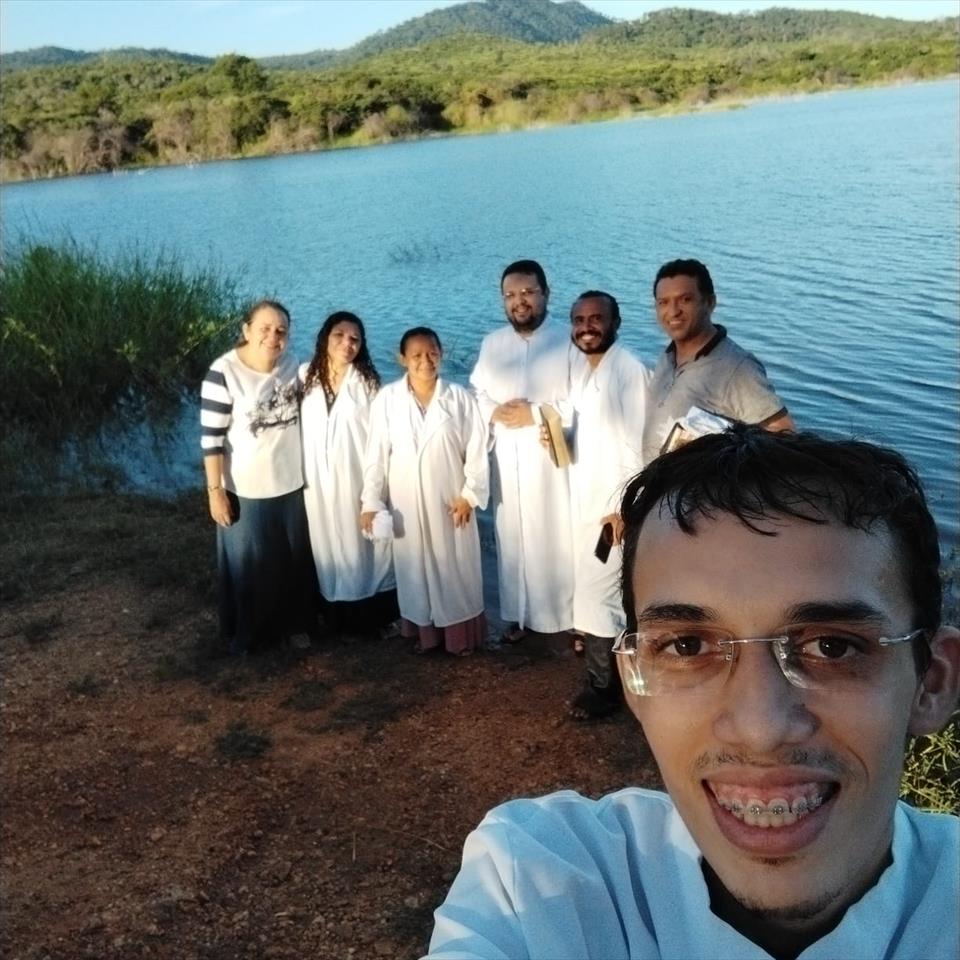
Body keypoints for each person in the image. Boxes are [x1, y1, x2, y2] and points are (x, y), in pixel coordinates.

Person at [426, 425, 960, 959]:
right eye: (686, 646)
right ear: (634, 684)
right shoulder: (537, 881)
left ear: (932, 683)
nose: (760, 729)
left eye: (832, 648)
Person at [361, 327, 489, 656]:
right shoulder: (387, 400)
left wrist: (470, 495)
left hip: (450, 500)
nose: (425, 361)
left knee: (455, 569)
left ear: (441, 352)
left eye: (432, 352)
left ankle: (460, 639)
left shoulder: (459, 398)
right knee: (413, 567)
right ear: (402, 359)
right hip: (405, 502)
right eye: (416, 355)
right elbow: (375, 455)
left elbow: (477, 451)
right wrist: (371, 501)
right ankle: (424, 636)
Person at [200, 299, 317, 654]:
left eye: (281, 330)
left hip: (291, 483)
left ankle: (294, 627)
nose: (273, 336)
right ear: (247, 330)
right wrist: (215, 490)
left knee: (292, 563)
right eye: (264, 328)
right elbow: (211, 440)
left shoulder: (293, 366)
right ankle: (247, 635)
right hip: (246, 489)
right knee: (248, 565)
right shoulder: (224, 372)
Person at [470, 259, 575, 642]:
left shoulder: (569, 341)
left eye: (528, 292)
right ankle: (518, 615)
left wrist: (534, 413)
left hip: (550, 459)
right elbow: (477, 393)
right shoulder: (492, 344)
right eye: (511, 295)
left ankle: (567, 616)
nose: (520, 301)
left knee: (555, 535)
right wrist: (493, 411)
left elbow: (582, 401)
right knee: (512, 537)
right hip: (506, 459)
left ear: (546, 294)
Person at [563, 291, 649, 721]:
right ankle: (613, 681)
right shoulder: (581, 370)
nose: (587, 326)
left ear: (616, 322)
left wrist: (625, 508)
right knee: (598, 592)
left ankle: (603, 689)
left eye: (596, 318)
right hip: (585, 500)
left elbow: (640, 445)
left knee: (601, 595)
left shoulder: (629, 370)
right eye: (579, 319)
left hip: (612, 509)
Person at [300, 311, 398, 639]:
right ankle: (332, 615)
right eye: (339, 335)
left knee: (364, 550)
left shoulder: (369, 385)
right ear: (325, 338)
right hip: (316, 481)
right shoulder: (305, 378)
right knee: (327, 545)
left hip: (355, 478)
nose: (347, 343)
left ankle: (370, 619)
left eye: (355, 338)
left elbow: (381, 442)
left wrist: (373, 491)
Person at [642, 258, 794, 464]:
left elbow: (784, 436)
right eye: (663, 302)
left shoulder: (737, 367)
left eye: (685, 299)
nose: (673, 311)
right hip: (658, 490)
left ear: (710, 303)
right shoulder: (667, 357)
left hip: (700, 494)